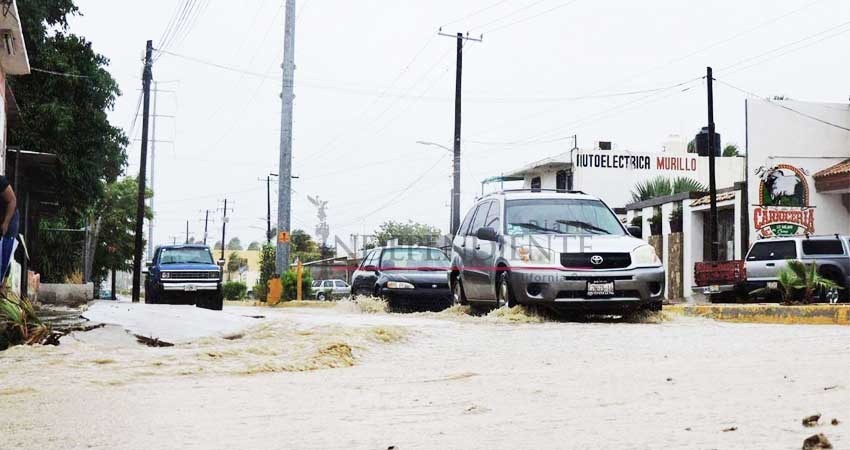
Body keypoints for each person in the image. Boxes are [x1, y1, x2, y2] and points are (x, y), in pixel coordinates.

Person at [0, 175, 19, 295]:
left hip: (10, 217)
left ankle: (2, 286)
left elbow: (12, 200)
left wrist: (6, 223)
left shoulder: (1, 181)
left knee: (5, 253)